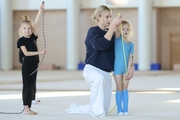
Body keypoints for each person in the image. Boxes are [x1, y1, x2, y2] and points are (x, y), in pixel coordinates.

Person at [66, 5, 134, 117]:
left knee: (103, 107)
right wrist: (112, 26)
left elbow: (123, 50)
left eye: (110, 17)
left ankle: (75, 108)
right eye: (107, 17)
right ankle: (97, 113)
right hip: (92, 69)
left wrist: (131, 67)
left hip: (106, 73)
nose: (109, 19)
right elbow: (101, 45)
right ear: (98, 17)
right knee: (98, 79)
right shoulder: (92, 31)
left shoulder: (111, 34)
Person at [17, 3, 45, 115]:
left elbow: (37, 22)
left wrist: (40, 11)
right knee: (27, 86)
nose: (27, 30)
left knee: (32, 85)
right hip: (27, 65)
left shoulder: (33, 37)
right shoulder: (21, 41)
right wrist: (40, 52)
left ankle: (29, 107)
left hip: (35, 65)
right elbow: (26, 53)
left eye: (29, 28)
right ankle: (26, 108)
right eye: (25, 28)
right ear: (21, 29)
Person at [114, 20, 134, 116]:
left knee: (125, 88)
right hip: (117, 68)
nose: (125, 31)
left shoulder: (131, 45)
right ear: (120, 30)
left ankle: (125, 109)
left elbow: (131, 58)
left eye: (127, 29)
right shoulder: (116, 41)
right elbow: (113, 31)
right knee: (119, 88)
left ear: (130, 31)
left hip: (125, 70)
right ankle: (119, 109)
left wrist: (129, 69)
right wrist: (117, 23)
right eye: (123, 29)